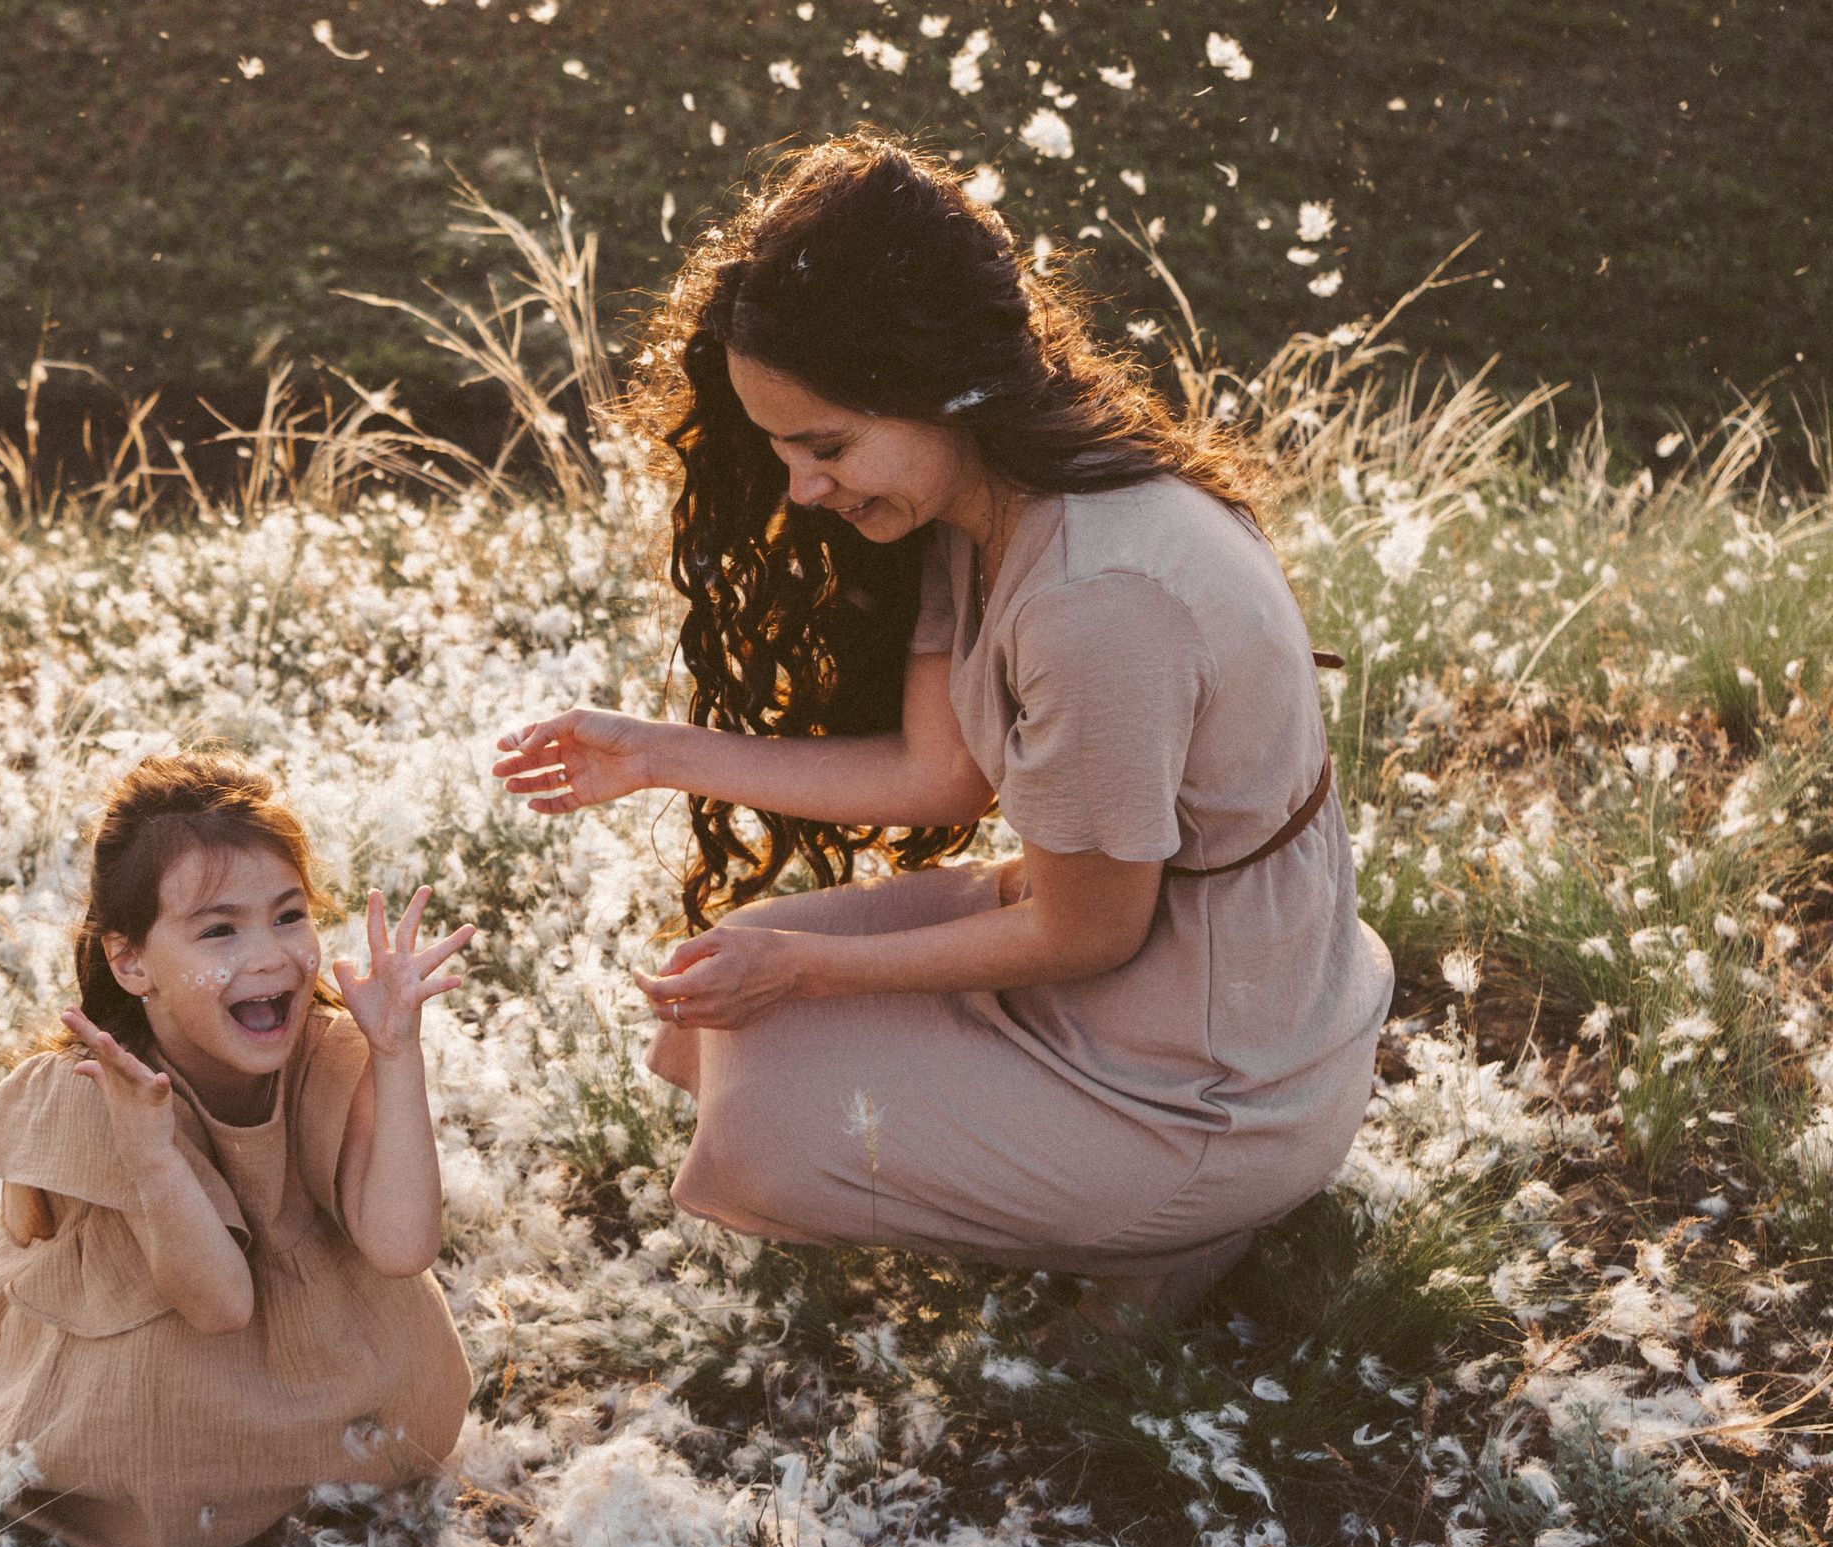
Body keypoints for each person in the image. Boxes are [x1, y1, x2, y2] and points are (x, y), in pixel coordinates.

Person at [493, 132, 1393, 1330]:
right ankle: (1083, 1189)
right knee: (729, 979)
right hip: (1163, 979)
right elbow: (937, 776)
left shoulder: (1095, 603)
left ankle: (1183, 1224)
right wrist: (655, 755)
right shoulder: (981, 507)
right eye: (781, 451)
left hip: (1211, 1081)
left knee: (766, 1116)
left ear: (944, 389)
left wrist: (810, 970)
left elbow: (1087, 932)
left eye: (828, 446)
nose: (804, 489)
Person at [0, 752, 475, 1547]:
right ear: (131, 961)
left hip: (313, 1349)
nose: (268, 956)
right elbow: (218, 1302)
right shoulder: (101, 1095)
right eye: (219, 929)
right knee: (161, 1443)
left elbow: (402, 1247)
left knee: (413, 1402)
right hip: (183, 1334)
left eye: (289, 915)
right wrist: (154, 1159)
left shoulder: (326, 1051)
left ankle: (304, 1437)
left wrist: (396, 1055)